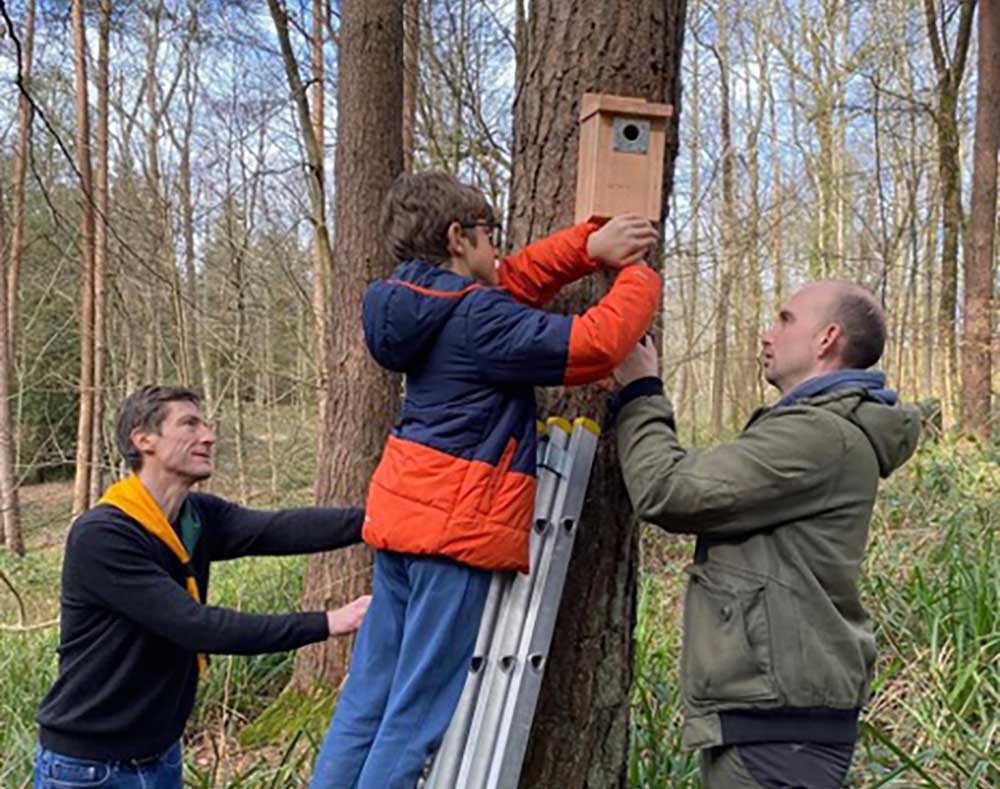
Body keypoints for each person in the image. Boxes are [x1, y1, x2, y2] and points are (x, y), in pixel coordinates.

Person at [309, 171, 662, 788]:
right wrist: (638, 274)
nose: (497, 250)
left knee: (366, 702)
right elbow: (597, 345)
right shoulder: (476, 318)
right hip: (452, 529)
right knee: (414, 717)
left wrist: (587, 247)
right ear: (456, 238)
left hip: (401, 521)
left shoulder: (413, 302)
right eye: (487, 236)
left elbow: (506, 285)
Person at [611, 281, 921, 789]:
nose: (766, 334)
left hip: (778, 730)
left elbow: (666, 490)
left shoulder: (820, 434)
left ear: (827, 338)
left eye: (784, 319)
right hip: (775, 720)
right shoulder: (821, 428)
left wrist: (640, 391)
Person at [34, 385, 372, 789]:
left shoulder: (195, 517)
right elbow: (197, 626)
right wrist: (329, 622)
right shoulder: (104, 536)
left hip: (160, 756)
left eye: (206, 424)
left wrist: (376, 522)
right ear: (144, 440)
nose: (208, 435)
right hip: (90, 769)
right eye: (189, 424)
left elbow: (276, 529)